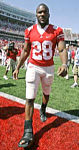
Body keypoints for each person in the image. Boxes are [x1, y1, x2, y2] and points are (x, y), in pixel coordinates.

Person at [13, 3, 67, 148]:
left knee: (46, 93)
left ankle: (43, 108)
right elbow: (25, 50)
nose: (42, 14)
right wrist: (17, 67)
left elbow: (62, 49)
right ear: (36, 15)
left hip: (49, 68)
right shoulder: (29, 30)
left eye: (44, 12)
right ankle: (28, 131)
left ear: (49, 14)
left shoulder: (57, 30)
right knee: (29, 98)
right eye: (39, 12)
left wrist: (65, 64)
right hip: (33, 67)